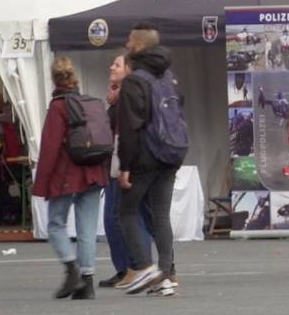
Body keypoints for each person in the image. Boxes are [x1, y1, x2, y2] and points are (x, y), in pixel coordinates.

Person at [114, 23, 183, 296]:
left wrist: (125, 165)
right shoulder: (168, 74)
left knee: (127, 211)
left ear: (140, 45)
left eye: (131, 40)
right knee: (161, 214)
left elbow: (130, 126)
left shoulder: (135, 80)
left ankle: (144, 268)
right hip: (172, 150)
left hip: (146, 154)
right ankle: (167, 273)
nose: (127, 43)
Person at [32, 57, 110, 299]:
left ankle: (71, 268)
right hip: (94, 171)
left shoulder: (58, 107)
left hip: (68, 173)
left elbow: (50, 147)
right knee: (87, 228)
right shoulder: (91, 103)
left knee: (56, 224)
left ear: (54, 79)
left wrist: (42, 182)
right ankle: (87, 283)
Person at [101, 54, 154, 289]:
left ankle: (136, 267)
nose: (111, 67)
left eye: (117, 64)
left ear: (129, 71)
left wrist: (126, 166)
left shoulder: (127, 97)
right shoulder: (116, 97)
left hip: (126, 162)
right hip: (119, 161)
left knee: (119, 217)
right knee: (119, 217)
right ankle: (126, 268)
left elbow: (127, 132)